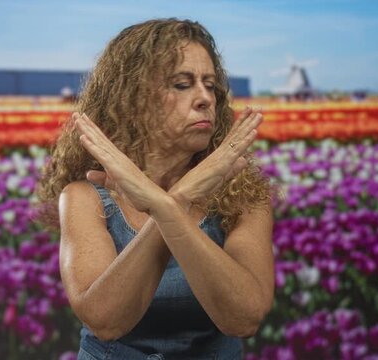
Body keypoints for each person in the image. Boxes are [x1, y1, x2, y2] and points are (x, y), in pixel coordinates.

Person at [38, 18, 274, 359]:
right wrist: (178, 201)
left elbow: (243, 318)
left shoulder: (244, 197)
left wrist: (165, 206)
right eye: (182, 84)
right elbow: (105, 321)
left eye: (210, 85)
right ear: (131, 98)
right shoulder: (83, 197)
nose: (205, 98)